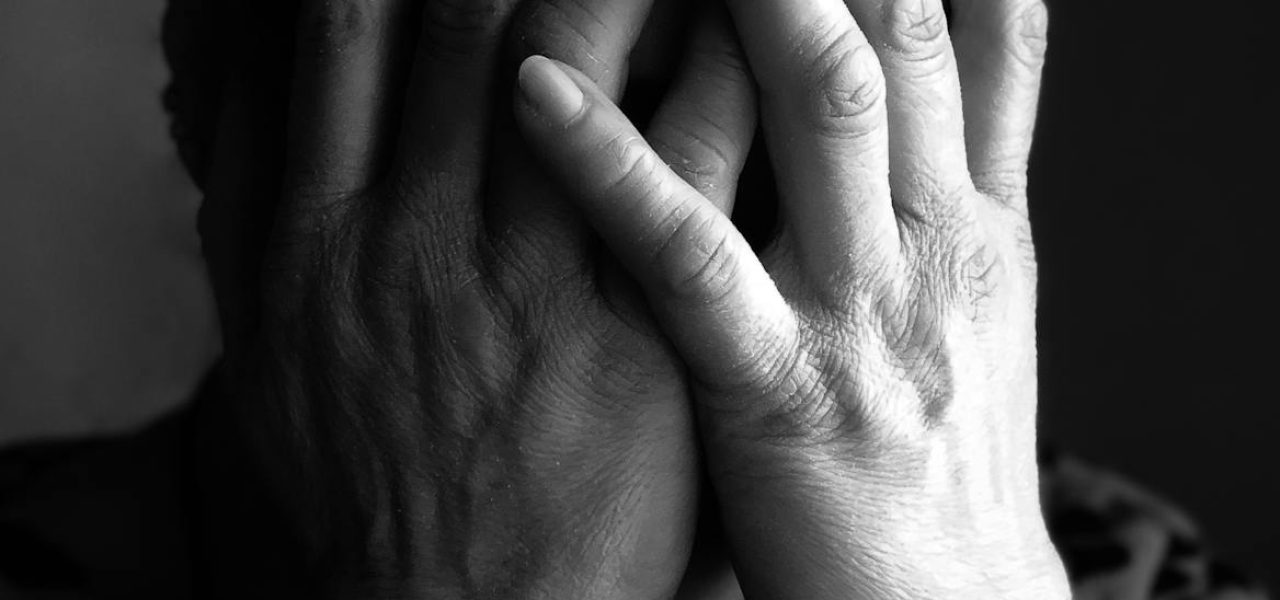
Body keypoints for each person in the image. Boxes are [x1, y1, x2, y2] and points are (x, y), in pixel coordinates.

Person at [0, 0, 1270, 598]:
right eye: (562, 150)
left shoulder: (1136, 574)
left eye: (793, 110)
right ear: (232, 128)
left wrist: (944, 580)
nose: (694, 247)